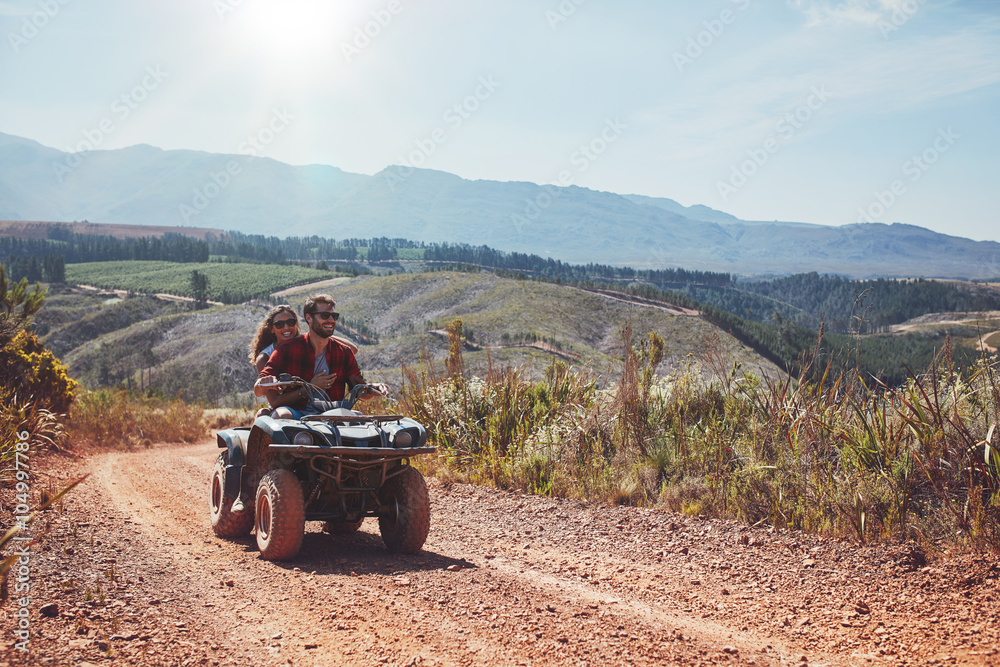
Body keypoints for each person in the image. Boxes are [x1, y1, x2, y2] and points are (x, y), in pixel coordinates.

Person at [254, 294, 384, 420]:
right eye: (325, 315)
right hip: (298, 411)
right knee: (281, 416)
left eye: (334, 316)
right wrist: (264, 384)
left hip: (333, 413)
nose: (331, 320)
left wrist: (372, 389)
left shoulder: (343, 352)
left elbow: (359, 391)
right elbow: (259, 389)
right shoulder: (286, 349)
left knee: (362, 421)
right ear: (309, 318)